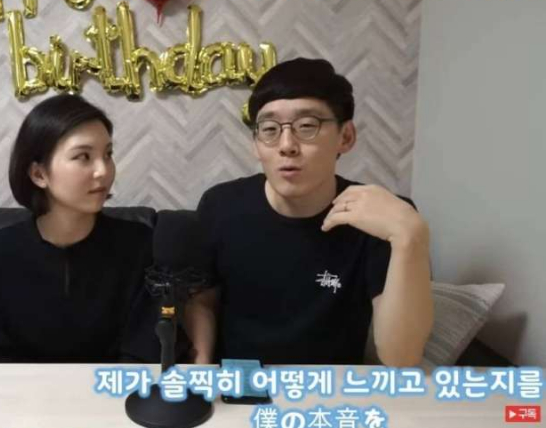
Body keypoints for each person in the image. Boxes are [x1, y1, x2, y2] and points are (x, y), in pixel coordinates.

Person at [184, 58, 434, 366]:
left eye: (307, 127)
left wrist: (411, 238)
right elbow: (202, 303)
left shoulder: (382, 218)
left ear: (346, 137)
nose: (287, 145)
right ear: (256, 144)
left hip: (331, 382)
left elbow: (402, 358)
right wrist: (202, 371)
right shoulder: (221, 205)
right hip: (240, 380)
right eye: (270, 129)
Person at [0, 94, 157, 363]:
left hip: (112, 389)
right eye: (83, 156)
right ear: (39, 174)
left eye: (108, 154)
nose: (103, 170)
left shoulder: (139, 245)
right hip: (23, 388)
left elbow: (143, 353)